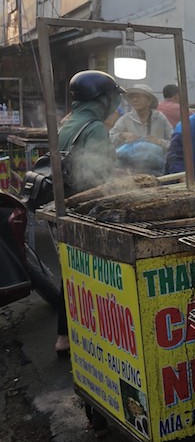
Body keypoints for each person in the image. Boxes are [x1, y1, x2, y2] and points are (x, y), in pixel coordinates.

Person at [54, 70, 126, 355]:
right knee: (91, 273)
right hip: (88, 207)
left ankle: (64, 336)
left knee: (70, 271)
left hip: (68, 203)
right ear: (102, 99)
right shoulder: (94, 127)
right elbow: (101, 174)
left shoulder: (68, 121)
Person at [109, 84, 173, 150]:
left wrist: (159, 142)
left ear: (149, 101)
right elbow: (109, 138)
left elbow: (174, 143)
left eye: (138, 97)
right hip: (131, 159)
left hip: (157, 159)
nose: (135, 100)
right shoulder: (126, 118)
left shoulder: (160, 118)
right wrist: (123, 135)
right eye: (132, 97)